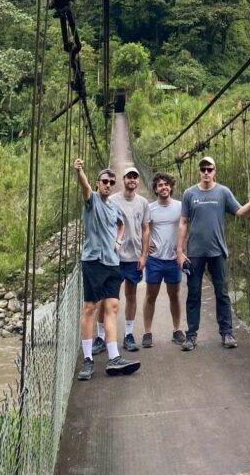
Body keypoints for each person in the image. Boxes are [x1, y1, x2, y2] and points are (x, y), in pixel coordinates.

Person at [176, 155, 250, 351]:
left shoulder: (223, 192)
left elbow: (240, 212)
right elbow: (183, 222)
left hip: (217, 251)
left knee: (222, 294)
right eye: (203, 169)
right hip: (195, 253)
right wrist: (180, 251)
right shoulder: (189, 194)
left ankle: (227, 333)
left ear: (215, 171)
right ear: (200, 171)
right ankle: (191, 335)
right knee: (193, 293)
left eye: (210, 169)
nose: (206, 172)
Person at [73, 159, 140, 380]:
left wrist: (119, 242)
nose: (108, 185)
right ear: (98, 183)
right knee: (90, 308)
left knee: (112, 307)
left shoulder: (113, 207)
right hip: (93, 261)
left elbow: (121, 225)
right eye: (104, 181)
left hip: (112, 263)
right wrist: (80, 170)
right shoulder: (91, 200)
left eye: (111, 182)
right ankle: (88, 360)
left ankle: (114, 358)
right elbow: (84, 187)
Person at [141, 172, 185, 347]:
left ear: (171, 187)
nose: (164, 187)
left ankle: (176, 330)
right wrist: (144, 248)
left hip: (173, 259)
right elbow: (144, 229)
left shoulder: (180, 207)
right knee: (151, 295)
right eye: (160, 185)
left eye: (166, 184)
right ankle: (147, 333)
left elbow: (185, 226)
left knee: (174, 295)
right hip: (155, 259)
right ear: (155, 189)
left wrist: (183, 247)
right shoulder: (150, 208)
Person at [108, 165, 149, 352]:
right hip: (115, 258)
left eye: (135, 177)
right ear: (123, 180)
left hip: (134, 258)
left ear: (138, 181)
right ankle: (101, 337)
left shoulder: (143, 203)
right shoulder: (111, 200)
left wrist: (144, 254)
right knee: (108, 298)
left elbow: (145, 229)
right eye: (128, 177)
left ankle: (129, 335)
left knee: (131, 295)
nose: (132, 180)